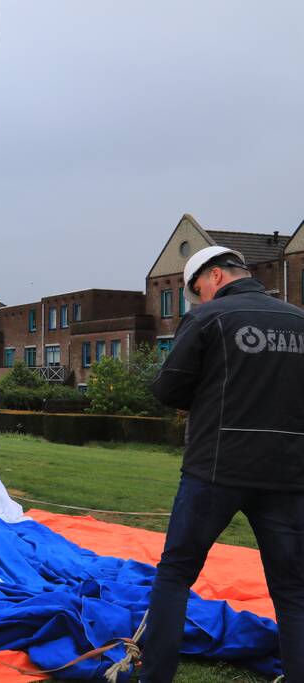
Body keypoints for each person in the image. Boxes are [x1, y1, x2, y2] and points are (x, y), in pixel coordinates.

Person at [140, 245, 304, 682]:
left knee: (175, 575)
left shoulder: (208, 318)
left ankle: (155, 676)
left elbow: (168, 388)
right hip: (288, 472)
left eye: (196, 290)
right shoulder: (298, 320)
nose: (199, 299)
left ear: (213, 278)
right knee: (292, 591)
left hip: (216, 466)